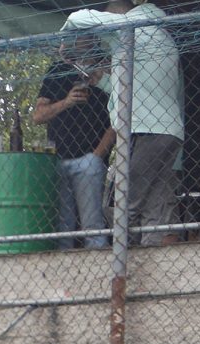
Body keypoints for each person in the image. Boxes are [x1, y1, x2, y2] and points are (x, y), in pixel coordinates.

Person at [69, 2, 183, 245]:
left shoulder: (131, 27)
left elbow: (79, 18)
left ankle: (123, 259)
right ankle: (153, 264)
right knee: (154, 205)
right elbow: (133, 88)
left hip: (145, 131)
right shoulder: (158, 36)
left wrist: (64, 41)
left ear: (116, 16)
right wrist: (100, 79)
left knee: (119, 202)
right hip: (165, 132)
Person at [33, 40, 116, 247]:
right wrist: (67, 102)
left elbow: (117, 121)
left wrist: (96, 156)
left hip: (90, 159)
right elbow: (38, 116)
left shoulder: (107, 74)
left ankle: (99, 270)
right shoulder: (58, 70)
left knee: (92, 225)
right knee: (62, 227)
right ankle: (65, 275)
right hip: (57, 159)